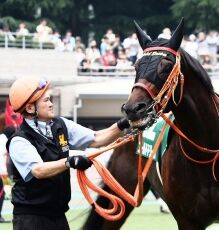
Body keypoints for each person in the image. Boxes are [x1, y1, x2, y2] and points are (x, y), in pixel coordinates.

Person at [6, 77, 130, 230]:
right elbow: (38, 170)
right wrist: (69, 161)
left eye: (50, 99)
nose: (51, 104)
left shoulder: (60, 125)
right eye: (46, 101)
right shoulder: (19, 140)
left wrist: (124, 123)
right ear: (31, 108)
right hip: (31, 219)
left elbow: (97, 138)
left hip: (59, 215)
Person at [0, 126, 16, 223]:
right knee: (3, 193)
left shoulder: (2, 138)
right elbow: (1, 158)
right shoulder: (4, 141)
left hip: (2, 173)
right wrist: (5, 173)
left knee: (7, 191)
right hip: (2, 173)